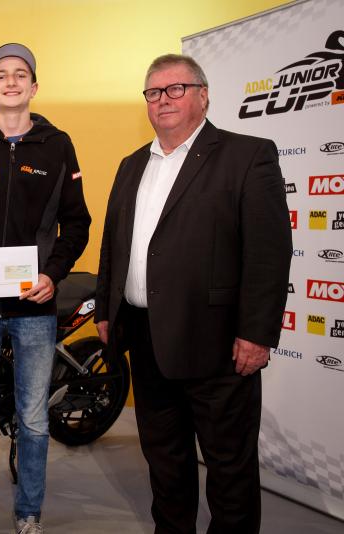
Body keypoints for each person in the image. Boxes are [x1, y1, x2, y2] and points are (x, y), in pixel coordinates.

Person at [95, 54, 292, 533]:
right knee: (164, 458)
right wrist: (106, 309)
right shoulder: (131, 164)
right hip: (145, 337)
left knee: (229, 465)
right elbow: (113, 243)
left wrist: (256, 333)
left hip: (219, 344)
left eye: (175, 89)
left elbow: (268, 253)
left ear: (203, 96)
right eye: (153, 92)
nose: (163, 99)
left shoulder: (247, 155)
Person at [0, 43, 91, 534]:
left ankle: (29, 515)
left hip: (34, 307)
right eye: (1, 74)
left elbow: (77, 222)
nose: (11, 81)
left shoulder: (58, 144)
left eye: (20, 73)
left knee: (32, 418)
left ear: (34, 86)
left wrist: (54, 273)